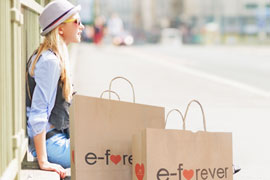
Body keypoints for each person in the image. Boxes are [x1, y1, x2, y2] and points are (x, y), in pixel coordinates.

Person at [26, 0, 84, 178]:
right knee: (107, 154)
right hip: (51, 143)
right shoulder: (50, 62)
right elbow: (38, 112)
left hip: (56, 138)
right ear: (60, 29)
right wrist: (43, 161)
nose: (81, 26)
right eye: (76, 22)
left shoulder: (52, 56)